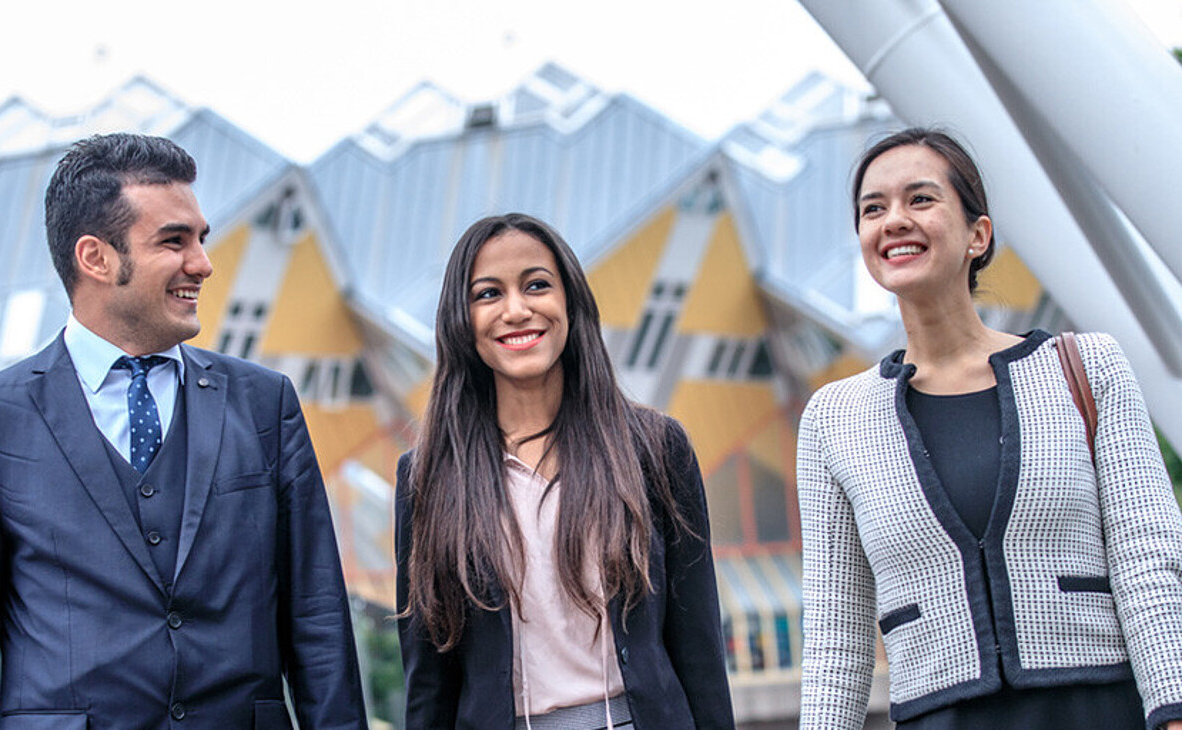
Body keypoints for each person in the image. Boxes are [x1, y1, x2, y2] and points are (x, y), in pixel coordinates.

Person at [0, 133, 367, 728]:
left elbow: (318, 619)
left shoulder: (265, 404)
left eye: (200, 239)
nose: (202, 263)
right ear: (96, 258)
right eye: (174, 241)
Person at [796, 127, 1182, 729]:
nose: (894, 220)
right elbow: (835, 630)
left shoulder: (1086, 368)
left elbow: (1148, 558)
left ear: (979, 235)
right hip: (940, 715)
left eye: (920, 200)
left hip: (1095, 705)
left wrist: (1174, 708)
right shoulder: (833, 419)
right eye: (874, 209)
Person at [394, 213, 734, 730]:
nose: (516, 309)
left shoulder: (654, 449)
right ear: (461, 322)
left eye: (536, 285)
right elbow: (429, 681)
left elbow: (699, 649)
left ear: (570, 302)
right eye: (488, 294)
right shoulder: (428, 478)